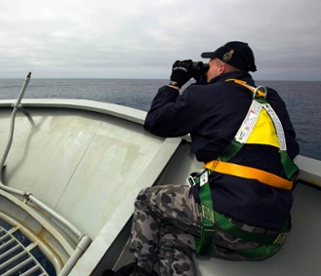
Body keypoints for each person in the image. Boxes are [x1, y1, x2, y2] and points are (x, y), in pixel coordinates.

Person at [105, 41, 300, 275]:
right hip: (273, 230)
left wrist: (175, 83)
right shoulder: (270, 98)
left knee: (146, 199)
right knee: (171, 238)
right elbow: (291, 148)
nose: (206, 70)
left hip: (228, 217)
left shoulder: (202, 94)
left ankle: (142, 270)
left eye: (209, 66)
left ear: (221, 68)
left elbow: (155, 122)